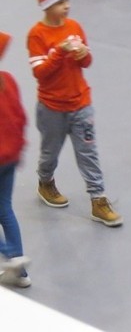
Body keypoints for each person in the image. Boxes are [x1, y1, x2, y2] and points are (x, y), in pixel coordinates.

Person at [27, 0, 122, 227]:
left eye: (67, 1)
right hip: (52, 108)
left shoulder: (75, 26)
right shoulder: (37, 35)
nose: (66, 7)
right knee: (50, 152)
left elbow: (88, 62)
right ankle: (45, 181)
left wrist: (82, 54)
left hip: (81, 104)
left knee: (88, 152)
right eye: (59, 3)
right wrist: (60, 51)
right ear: (46, 5)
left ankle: (98, 199)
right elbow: (41, 74)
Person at [0, 32, 30, 288]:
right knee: (5, 209)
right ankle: (20, 273)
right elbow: (20, 118)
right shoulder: (8, 80)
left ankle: (11, 255)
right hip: (9, 158)